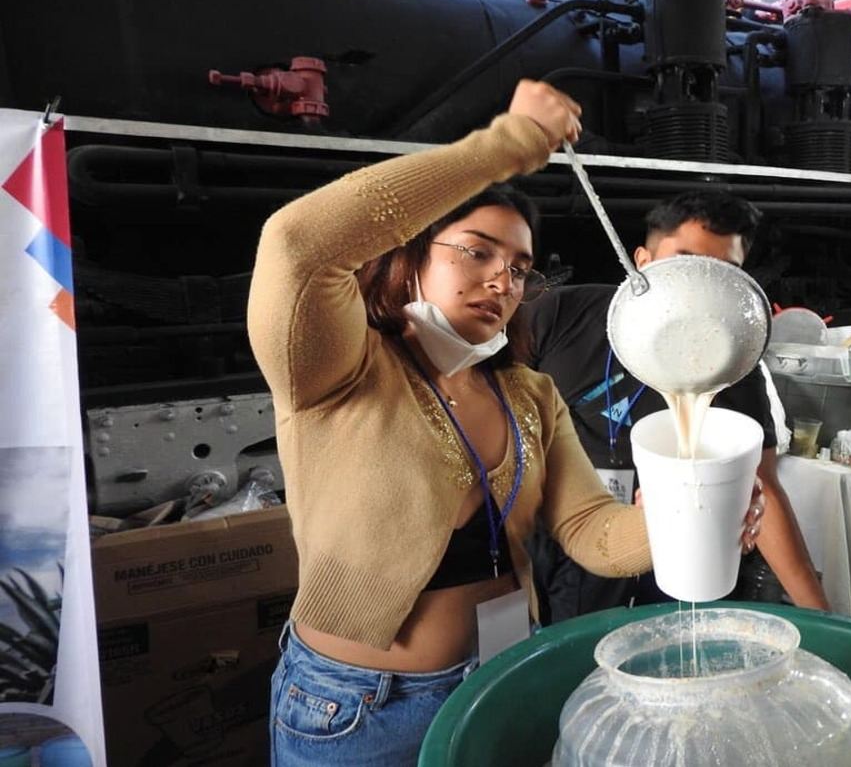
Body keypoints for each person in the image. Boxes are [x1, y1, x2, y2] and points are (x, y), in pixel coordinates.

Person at [247, 81, 763, 764]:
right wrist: (506, 146)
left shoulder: (529, 394)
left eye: (519, 268)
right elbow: (298, 245)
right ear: (412, 253)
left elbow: (591, 531)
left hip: (502, 680)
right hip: (359, 707)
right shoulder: (339, 371)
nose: (502, 280)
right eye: (476, 250)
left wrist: (693, 516)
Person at [527, 191, 829, 622]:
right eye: (683, 264)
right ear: (643, 261)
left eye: (723, 273)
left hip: (693, 551)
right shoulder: (559, 317)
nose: (700, 289)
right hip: (573, 548)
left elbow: (761, 484)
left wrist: (823, 618)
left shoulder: (735, 362)